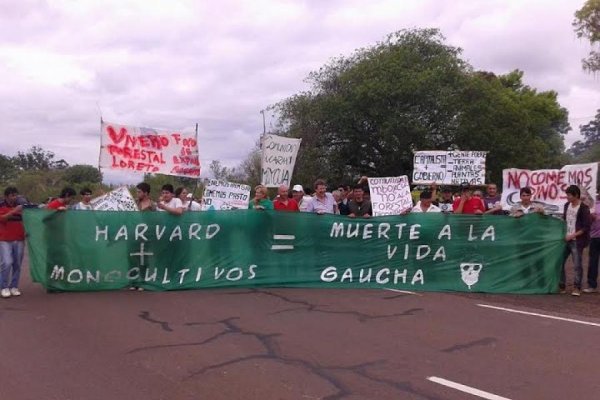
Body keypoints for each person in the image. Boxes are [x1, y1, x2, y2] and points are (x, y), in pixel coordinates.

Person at [560, 185, 591, 296]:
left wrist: (573, 235)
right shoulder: (566, 205)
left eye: (569, 195)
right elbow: (564, 220)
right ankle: (561, 285)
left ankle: (577, 287)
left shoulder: (583, 208)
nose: (567, 197)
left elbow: (586, 227)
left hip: (576, 241)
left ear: (576, 195)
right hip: (565, 239)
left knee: (577, 264)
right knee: (560, 261)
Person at [0, 187, 25, 298]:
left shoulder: (21, 206)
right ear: (6, 196)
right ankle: (4, 287)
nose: (14, 198)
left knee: (17, 264)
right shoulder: (1, 205)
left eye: (16, 195)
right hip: (5, 239)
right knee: (7, 262)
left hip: (19, 238)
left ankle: (14, 286)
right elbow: (3, 218)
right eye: (12, 195)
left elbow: (28, 220)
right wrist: (14, 211)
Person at [583, 193, 600, 293]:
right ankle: (591, 285)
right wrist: (591, 217)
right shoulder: (592, 204)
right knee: (593, 262)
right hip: (594, 237)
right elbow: (586, 220)